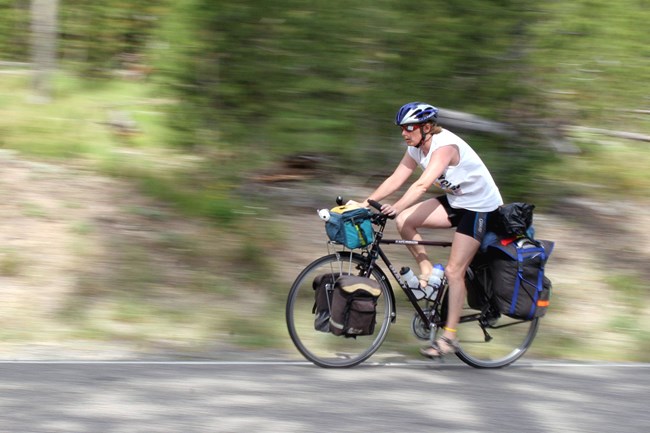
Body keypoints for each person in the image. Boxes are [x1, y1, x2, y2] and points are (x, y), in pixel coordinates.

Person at [349, 102, 503, 358]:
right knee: (405, 222)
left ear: (427, 127)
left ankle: (450, 336)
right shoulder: (416, 147)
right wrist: (364, 203)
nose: (404, 133)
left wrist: (395, 206)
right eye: (402, 128)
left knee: (455, 271)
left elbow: (421, 185)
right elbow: (396, 178)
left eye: (409, 127)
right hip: (457, 202)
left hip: (481, 208)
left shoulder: (445, 146)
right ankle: (428, 274)